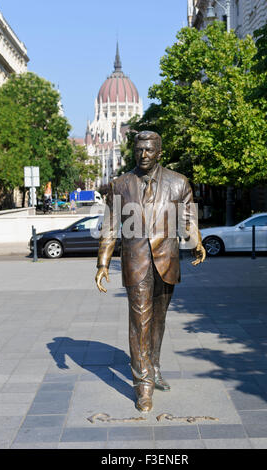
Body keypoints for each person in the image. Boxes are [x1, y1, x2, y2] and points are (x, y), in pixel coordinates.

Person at [95, 131, 206, 413]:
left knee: (158, 320)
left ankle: (153, 366)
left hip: (167, 261)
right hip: (136, 262)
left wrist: (197, 242)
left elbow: (188, 218)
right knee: (140, 321)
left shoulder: (178, 183)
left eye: (148, 150)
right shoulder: (120, 184)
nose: (142, 155)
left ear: (159, 152)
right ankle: (143, 386)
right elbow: (110, 225)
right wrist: (103, 263)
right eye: (138, 149)